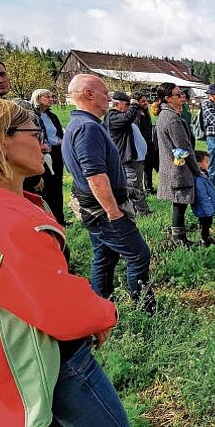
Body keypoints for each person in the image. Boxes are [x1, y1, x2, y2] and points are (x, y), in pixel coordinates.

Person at [0, 99, 128, 426]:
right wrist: (102, 314)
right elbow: (53, 302)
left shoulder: (19, 205)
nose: (44, 144)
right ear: (4, 139)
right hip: (54, 358)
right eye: (34, 132)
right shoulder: (14, 221)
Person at [62, 74, 155, 313]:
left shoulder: (81, 124)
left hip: (95, 208)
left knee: (105, 257)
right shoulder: (87, 128)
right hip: (103, 210)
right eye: (105, 92)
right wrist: (113, 212)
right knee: (139, 255)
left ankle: (100, 307)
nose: (110, 98)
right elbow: (95, 176)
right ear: (88, 94)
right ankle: (145, 310)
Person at [153, 82, 201, 247]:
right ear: (167, 98)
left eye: (181, 93)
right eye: (178, 94)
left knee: (179, 203)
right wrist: (195, 169)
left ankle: (178, 237)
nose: (182, 97)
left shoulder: (167, 115)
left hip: (174, 165)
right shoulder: (171, 119)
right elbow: (182, 148)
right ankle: (179, 240)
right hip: (177, 166)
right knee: (180, 203)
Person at [104, 91, 152, 216]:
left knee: (136, 186)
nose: (128, 108)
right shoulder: (113, 116)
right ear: (116, 103)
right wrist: (134, 105)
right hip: (128, 159)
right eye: (126, 104)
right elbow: (128, 117)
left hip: (134, 158)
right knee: (134, 186)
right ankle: (142, 212)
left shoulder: (119, 116)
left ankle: (138, 210)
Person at [30, 88, 66, 225]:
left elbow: (57, 134)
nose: (51, 99)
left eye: (52, 97)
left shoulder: (52, 116)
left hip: (56, 153)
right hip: (42, 155)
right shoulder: (32, 115)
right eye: (47, 97)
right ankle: (50, 219)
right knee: (47, 186)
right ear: (38, 99)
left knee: (58, 184)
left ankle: (61, 218)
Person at [193, 150, 215, 245]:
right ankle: (204, 240)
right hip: (204, 208)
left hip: (206, 207)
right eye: (206, 162)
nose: (208, 164)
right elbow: (202, 196)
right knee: (205, 224)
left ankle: (207, 237)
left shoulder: (203, 175)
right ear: (199, 165)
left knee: (207, 223)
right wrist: (208, 209)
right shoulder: (198, 179)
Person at [133, 91, 157, 194]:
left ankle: (149, 187)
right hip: (141, 143)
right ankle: (139, 189)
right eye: (142, 101)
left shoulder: (146, 113)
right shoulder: (135, 114)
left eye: (146, 101)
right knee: (141, 167)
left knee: (149, 166)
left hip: (149, 142)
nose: (145, 103)